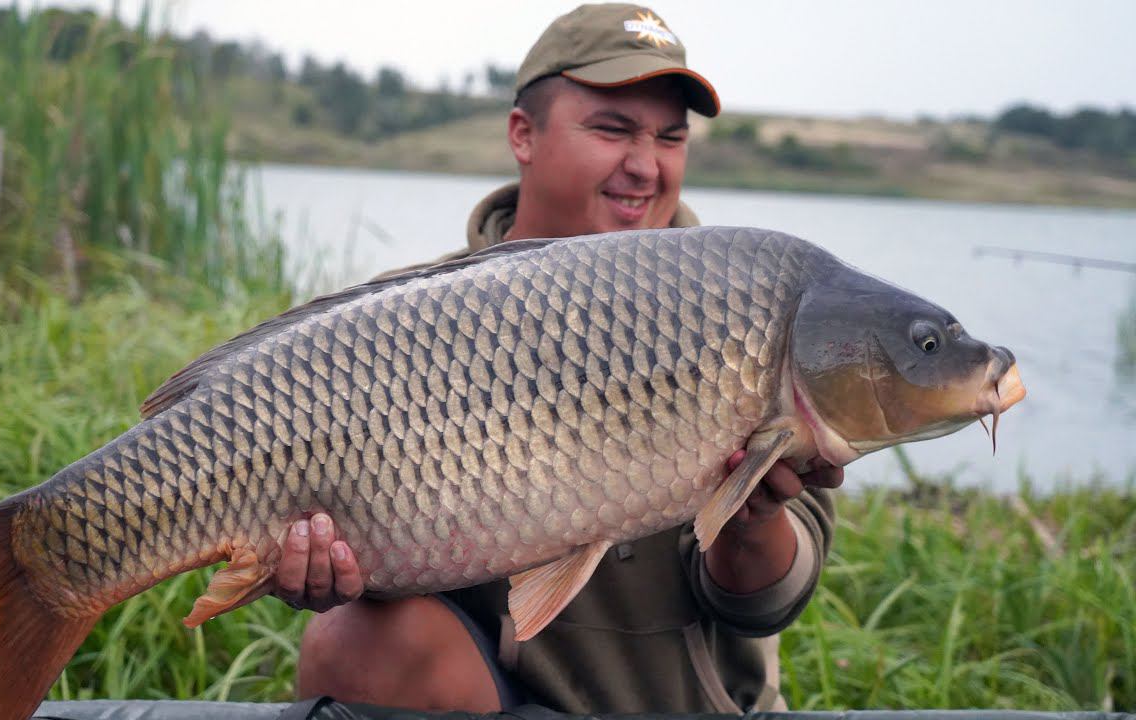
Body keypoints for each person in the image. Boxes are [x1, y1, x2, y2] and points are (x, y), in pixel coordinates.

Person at [269, 4, 842, 714]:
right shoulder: (403, 324)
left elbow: (768, 605)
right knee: (347, 638)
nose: (645, 165)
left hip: (690, 705)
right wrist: (328, 562)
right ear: (523, 135)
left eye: (670, 136)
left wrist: (751, 517)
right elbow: (374, 551)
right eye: (612, 129)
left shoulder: (748, 308)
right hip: (494, 695)